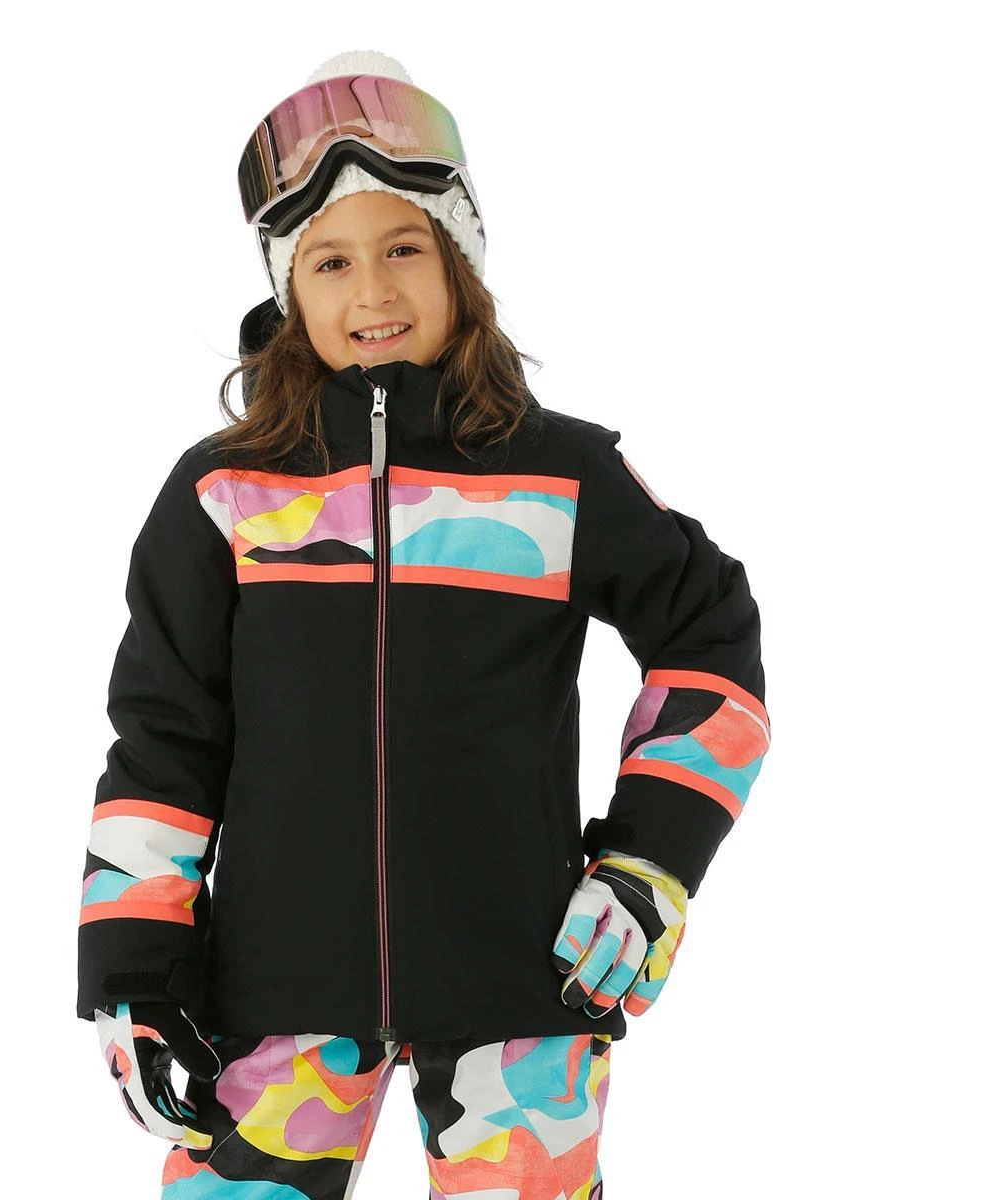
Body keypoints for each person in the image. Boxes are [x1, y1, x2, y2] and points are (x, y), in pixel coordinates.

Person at [76, 50, 772, 1199]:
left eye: (404, 247)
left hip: (522, 995)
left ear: (460, 259)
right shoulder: (225, 495)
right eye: (331, 261)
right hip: (269, 1002)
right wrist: (132, 974)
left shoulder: (563, 477)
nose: (373, 293)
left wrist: (648, 865)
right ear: (290, 291)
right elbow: (163, 743)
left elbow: (715, 646)